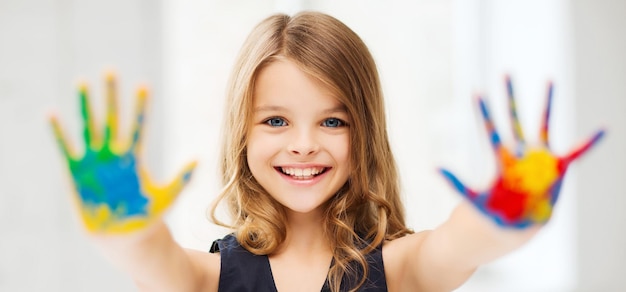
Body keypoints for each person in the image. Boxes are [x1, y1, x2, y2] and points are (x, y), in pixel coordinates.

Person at [49, 11, 604, 292]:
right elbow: (152, 260)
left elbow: (463, 242)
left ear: (365, 133)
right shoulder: (210, 279)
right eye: (276, 120)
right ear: (242, 134)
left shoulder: (402, 269)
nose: (305, 144)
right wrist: (123, 223)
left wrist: (508, 210)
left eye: (332, 120)